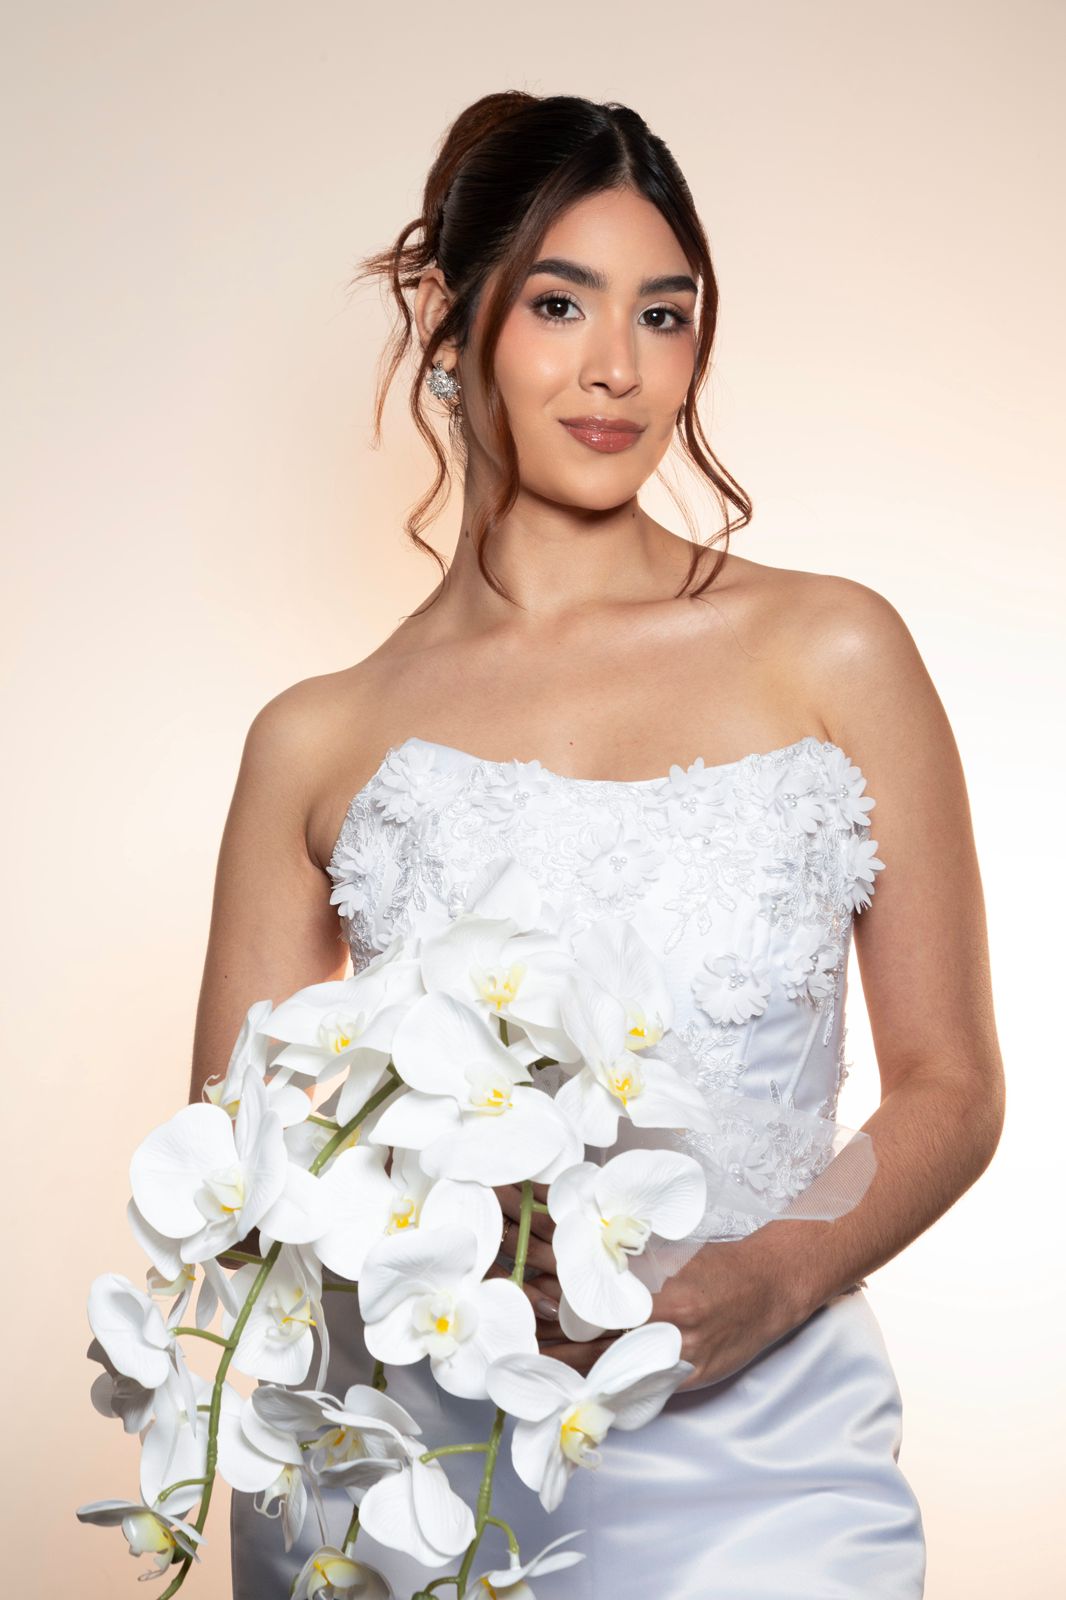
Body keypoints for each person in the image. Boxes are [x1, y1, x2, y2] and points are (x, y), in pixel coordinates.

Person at [192, 91, 1004, 1598]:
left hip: (768, 1459)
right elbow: (242, 1179)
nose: (619, 367)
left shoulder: (832, 650)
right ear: (451, 321)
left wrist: (773, 1276)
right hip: (414, 1478)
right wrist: (460, 1220)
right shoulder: (317, 737)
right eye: (559, 304)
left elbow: (952, 1086)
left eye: (663, 314)